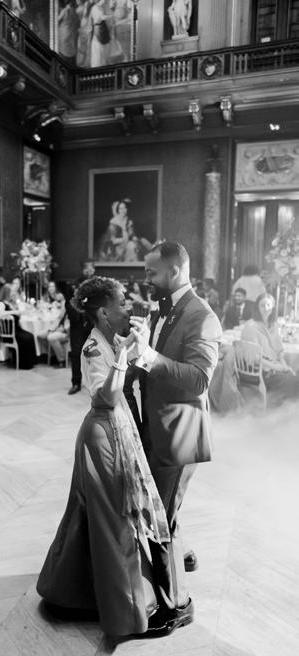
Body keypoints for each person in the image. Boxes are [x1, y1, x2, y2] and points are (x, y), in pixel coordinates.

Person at [37, 276, 191, 639]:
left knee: (97, 515)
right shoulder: (94, 347)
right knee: (113, 520)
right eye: (122, 302)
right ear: (104, 312)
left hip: (118, 428)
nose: (129, 306)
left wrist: (136, 346)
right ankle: (124, 608)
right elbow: (104, 397)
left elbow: (129, 374)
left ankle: (76, 587)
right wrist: (123, 357)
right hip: (103, 437)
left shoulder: (109, 340)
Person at [130, 242, 222, 588]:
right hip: (156, 425)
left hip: (180, 433)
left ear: (174, 271)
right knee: (163, 506)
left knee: (160, 520)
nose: (146, 279)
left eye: (151, 273)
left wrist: (149, 356)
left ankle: (174, 603)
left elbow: (198, 380)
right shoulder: (160, 309)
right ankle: (183, 556)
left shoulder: (202, 317)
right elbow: (152, 363)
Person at [241, 293, 299, 405]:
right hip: (259, 372)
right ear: (257, 307)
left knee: (294, 375)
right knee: (294, 381)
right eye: (262, 305)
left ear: (273, 307)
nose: (266, 308)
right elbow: (255, 358)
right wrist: (278, 367)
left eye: (268, 305)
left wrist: (285, 367)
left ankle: (285, 409)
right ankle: (280, 410)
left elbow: (279, 352)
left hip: (273, 368)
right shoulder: (251, 326)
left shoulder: (273, 325)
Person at [66, 259, 96, 394]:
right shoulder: (74, 284)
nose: (88, 271)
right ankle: (76, 382)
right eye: (86, 268)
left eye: (90, 268)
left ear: (94, 269)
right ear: (82, 270)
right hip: (77, 324)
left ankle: (95, 382)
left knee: (95, 353)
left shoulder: (98, 284)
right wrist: (77, 314)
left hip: (93, 324)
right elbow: (68, 303)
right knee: (76, 353)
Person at [0, 283, 36, 369]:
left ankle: (30, 362)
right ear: (7, 293)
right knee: (25, 339)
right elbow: (0, 314)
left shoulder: (11, 303)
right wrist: (14, 312)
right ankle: (23, 364)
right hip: (8, 333)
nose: (13, 293)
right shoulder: (1, 303)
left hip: (16, 329)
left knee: (31, 336)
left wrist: (19, 312)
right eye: (12, 292)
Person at [89, 0, 110, 68]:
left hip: (103, 27)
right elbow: (97, 20)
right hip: (98, 28)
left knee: (104, 49)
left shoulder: (101, 7)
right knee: (98, 47)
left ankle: (103, 65)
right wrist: (106, 17)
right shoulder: (95, 7)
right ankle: (97, 65)